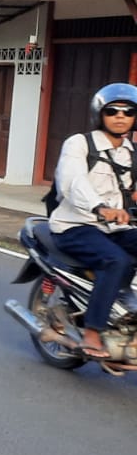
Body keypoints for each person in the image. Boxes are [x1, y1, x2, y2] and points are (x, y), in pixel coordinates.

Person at [48, 83, 137, 361]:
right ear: (100, 114)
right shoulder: (79, 143)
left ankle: (124, 307)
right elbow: (72, 181)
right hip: (76, 224)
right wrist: (100, 207)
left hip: (115, 228)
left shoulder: (131, 151)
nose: (120, 116)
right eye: (112, 110)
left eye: (128, 111)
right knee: (116, 260)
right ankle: (93, 330)